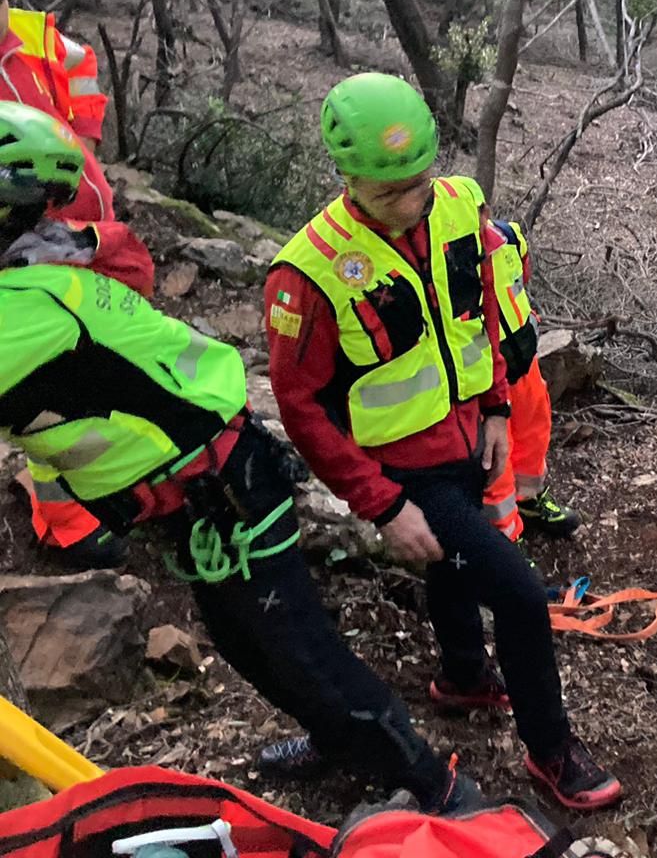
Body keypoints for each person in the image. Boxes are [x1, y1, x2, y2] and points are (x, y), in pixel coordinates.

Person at [0, 101, 476, 813]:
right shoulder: (41, 275)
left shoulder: (28, 308)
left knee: (301, 651)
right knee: (247, 646)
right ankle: (339, 740)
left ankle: (431, 785)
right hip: (197, 491)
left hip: (223, 486)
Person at [264, 72, 622, 810]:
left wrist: (496, 408)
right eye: (390, 190)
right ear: (347, 176)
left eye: (418, 182)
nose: (411, 201)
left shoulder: (459, 206)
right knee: (520, 596)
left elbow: (476, 315)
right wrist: (382, 505)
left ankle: (461, 676)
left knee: (450, 568)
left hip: (466, 440)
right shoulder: (310, 272)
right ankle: (551, 751)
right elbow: (300, 407)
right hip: (400, 469)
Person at [0, 0, 125, 568]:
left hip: (82, 237)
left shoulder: (47, 47)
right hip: (20, 256)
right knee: (41, 386)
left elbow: (84, 113)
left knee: (93, 374)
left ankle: (97, 492)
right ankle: (66, 519)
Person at [479, 215, 579, 543]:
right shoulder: (445, 260)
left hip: (524, 359)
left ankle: (530, 499)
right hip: (485, 376)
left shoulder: (509, 238)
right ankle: (505, 537)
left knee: (534, 432)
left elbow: (521, 280)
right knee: (497, 455)